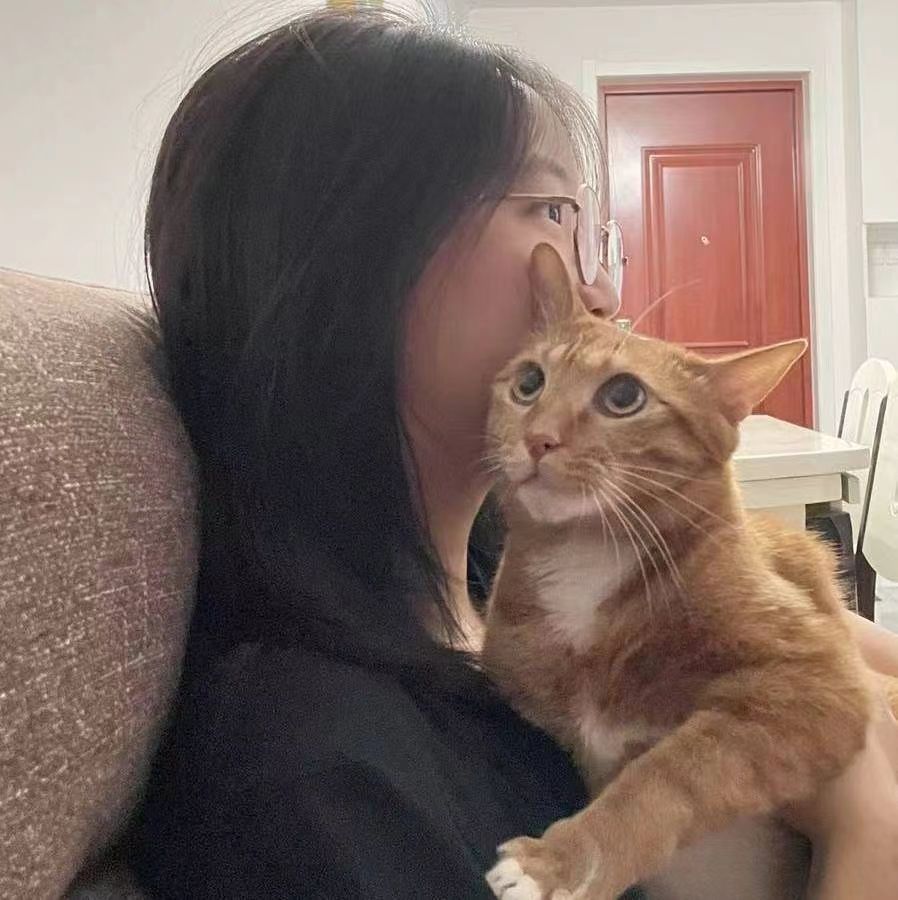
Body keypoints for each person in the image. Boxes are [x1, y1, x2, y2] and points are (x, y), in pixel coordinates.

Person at [125, 8, 898, 898]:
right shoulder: (320, 782)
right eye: (553, 213)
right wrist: (869, 828)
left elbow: (803, 625)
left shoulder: (510, 558)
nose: (599, 292)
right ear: (352, 255)